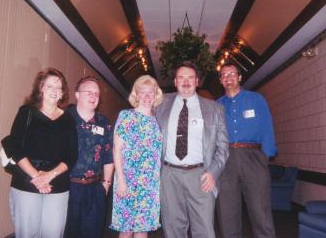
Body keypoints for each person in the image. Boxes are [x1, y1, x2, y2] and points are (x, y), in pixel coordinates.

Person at [155, 61, 229, 238]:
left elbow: (223, 146)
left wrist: (213, 172)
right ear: (175, 82)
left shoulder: (215, 109)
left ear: (197, 81)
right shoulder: (160, 104)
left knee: (204, 229)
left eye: (190, 77)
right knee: (172, 228)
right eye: (181, 77)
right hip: (169, 175)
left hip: (201, 176)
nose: (186, 82)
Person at [2, 68, 78, 237]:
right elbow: (14, 146)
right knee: (27, 233)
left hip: (57, 184)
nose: (54, 91)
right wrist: (37, 176)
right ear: (41, 88)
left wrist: (49, 176)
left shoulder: (68, 119)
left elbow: (72, 155)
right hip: (26, 182)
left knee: (53, 233)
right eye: (50, 86)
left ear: (63, 93)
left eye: (59, 88)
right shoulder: (26, 112)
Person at [217, 61, 277, 238]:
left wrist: (266, 156)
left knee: (261, 212)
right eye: (224, 75)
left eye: (232, 74)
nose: (229, 78)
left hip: (254, 158)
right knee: (228, 214)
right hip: (226, 160)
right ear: (221, 80)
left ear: (239, 77)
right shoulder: (216, 105)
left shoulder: (256, 99)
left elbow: (267, 127)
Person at [110, 75, 164, 238]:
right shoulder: (126, 116)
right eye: (143, 92)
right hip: (128, 180)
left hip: (149, 183)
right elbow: (116, 150)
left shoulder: (157, 120)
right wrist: (121, 182)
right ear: (136, 94)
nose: (147, 96)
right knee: (126, 229)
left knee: (143, 228)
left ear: (156, 95)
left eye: (151, 92)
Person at [64, 76, 114, 238]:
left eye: (97, 94)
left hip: (95, 189)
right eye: (89, 92)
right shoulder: (64, 118)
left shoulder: (103, 123)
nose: (93, 96)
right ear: (77, 95)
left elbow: (108, 155)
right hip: (67, 188)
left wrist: (106, 184)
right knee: (67, 233)